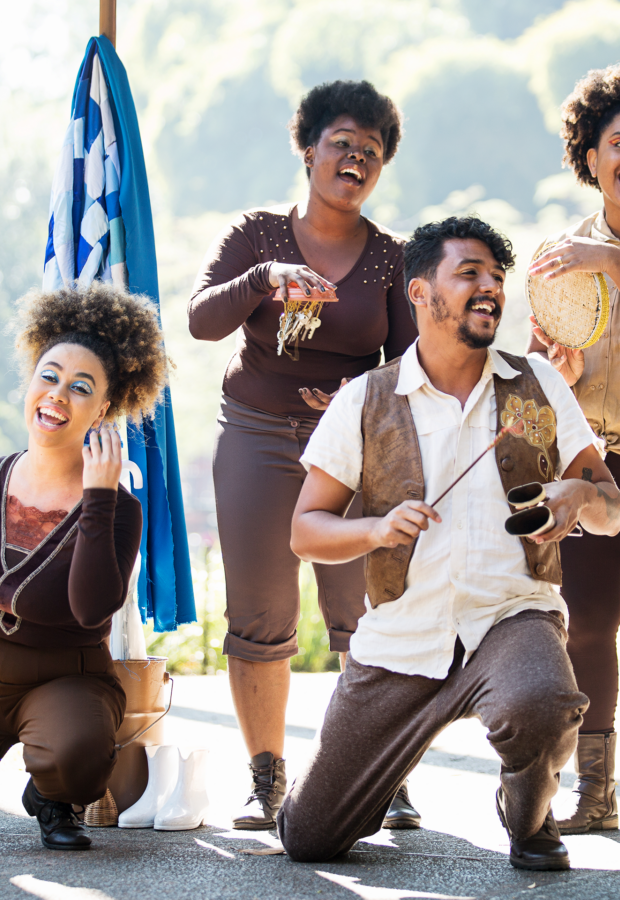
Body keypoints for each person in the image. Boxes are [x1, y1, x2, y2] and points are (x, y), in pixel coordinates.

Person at [277, 216, 620, 872]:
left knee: (542, 703)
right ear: (419, 292)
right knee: (310, 839)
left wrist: (578, 497)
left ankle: (527, 814)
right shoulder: (364, 400)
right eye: (469, 273)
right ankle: (355, 788)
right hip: (400, 640)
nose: (489, 286)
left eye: (496, 277)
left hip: (509, 618)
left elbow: (609, 511)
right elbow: (306, 531)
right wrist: (373, 529)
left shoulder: (539, 384)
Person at [188, 80, 418, 830]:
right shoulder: (256, 236)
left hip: (349, 453)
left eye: (371, 152)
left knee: (365, 614)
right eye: (342, 143)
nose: (355, 159)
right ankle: (266, 781)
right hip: (256, 435)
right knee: (260, 614)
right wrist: (260, 282)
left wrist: (354, 401)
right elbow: (198, 321)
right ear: (309, 149)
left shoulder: (391, 259)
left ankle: (379, 773)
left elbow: (406, 372)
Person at [0, 282, 168, 851]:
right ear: (30, 383)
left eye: (80, 388)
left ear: (103, 409)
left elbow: (91, 607)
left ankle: (53, 796)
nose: (57, 395)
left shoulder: (120, 508)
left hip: (66, 678)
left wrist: (99, 498)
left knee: (75, 755)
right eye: (49, 377)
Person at [526, 58, 620, 834]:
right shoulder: (559, 254)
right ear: (590, 154)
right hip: (593, 472)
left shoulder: (605, 255)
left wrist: (614, 262)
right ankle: (594, 793)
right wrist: (557, 371)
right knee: (585, 629)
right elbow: (539, 383)